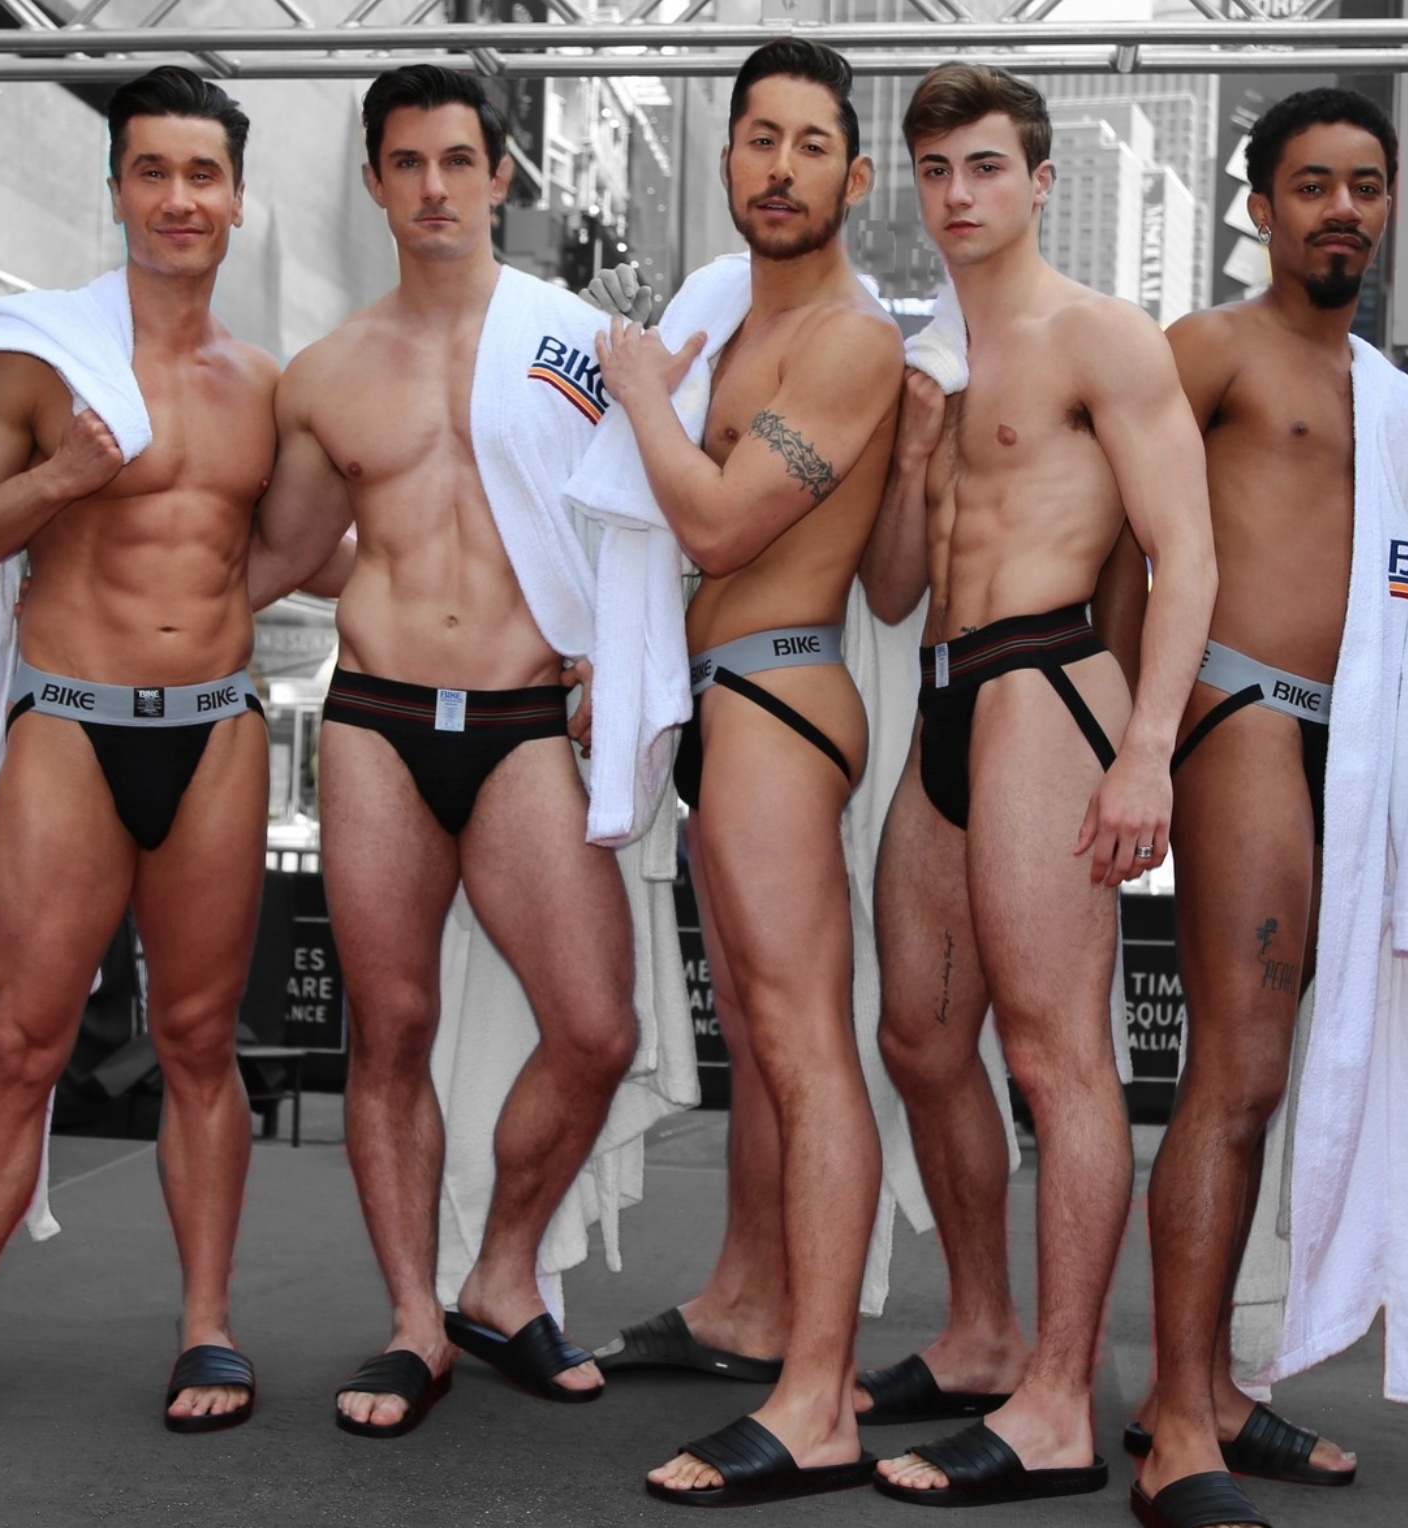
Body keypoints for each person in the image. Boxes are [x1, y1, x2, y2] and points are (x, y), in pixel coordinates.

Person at [0, 66, 278, 1458]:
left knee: (199, 1042)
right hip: (70, 729)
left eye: (202, 174)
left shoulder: (267, 388)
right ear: (116, 192)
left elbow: (317, 546)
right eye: (152, 173)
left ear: (238, 198)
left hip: (217, 729)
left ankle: (207, 1322)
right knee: (22, 1043)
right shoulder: (42, 364)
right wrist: (58, 484)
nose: (178, 200)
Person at [246, 63, 638, 1439]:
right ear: (373, 181)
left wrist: (617, 656)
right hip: (380, 722)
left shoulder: (578, 342)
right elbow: (288, 556)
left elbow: (643, 526)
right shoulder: (327, 373)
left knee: (594, 1028)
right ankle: (415, 1319)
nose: (433, 187)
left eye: (457, 160)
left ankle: (501, 1274)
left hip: (525, 722)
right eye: (406, 163)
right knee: (392, 1027)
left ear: (501, 175)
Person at [1097, 84, 1408, 1528]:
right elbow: (1124, 548)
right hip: (1238, 715)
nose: (1341, 210)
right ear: (1260, 208)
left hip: (1353, 749)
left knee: (1284, 1077)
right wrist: (1137, 733)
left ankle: (1209, 1390)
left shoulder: (1401, 402)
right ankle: (1177, 1424)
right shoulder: (1208, 348)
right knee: (1237, 1074)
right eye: (1312, 185)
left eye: (1364, 185)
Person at [856, 62, 1216, 1508]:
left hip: (1049, 683)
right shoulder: (926, 360)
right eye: (937, 169)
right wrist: (912, 453)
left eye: (986, 166)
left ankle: (1061, 1400)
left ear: (1041, 180)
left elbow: (1185, 554)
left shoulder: (1099, 337)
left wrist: (1147, 750)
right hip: (944, 689)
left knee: (1056, 1057)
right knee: (917, 1038)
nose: (958, 195)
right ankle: (981, 1334)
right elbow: (893, 590)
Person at [591, 38, 904, 1508]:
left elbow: (719, 525)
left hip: (780, 695)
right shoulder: (725, 318)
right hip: (728, 702)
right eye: (758, 139)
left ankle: (818, 1399)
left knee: (803, 1044)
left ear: (856, 174)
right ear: (726, 158)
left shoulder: (847, 342)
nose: (780, 169)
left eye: (809, 144)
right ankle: (748, 1305)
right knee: (764, 1048)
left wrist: (639, 392)